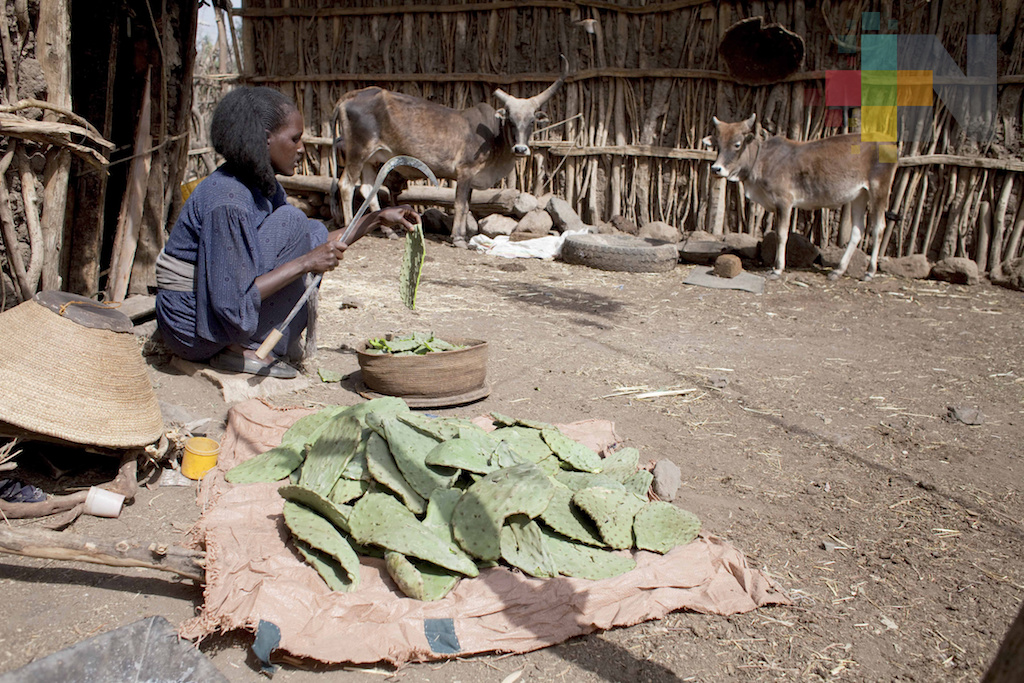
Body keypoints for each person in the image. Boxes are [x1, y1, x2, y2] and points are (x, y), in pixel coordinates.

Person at [155, 86, 419, 378]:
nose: (302, 148)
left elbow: (315, 242)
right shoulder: (228, 201)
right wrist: (306, 262)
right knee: (293, 222)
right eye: (295, 139)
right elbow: (231, 303)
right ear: (264, 139)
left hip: (213, 312)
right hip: (191, 325)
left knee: (308, 227)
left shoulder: (260, 185)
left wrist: (376, 219)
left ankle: (248, 342)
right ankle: (236, 348)